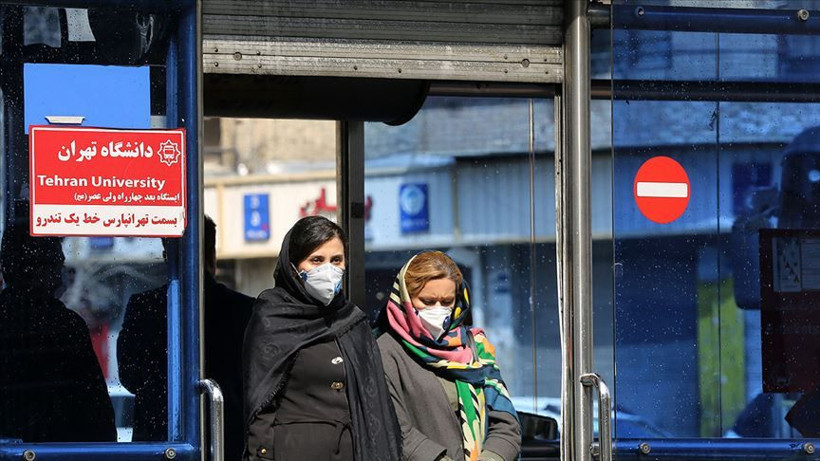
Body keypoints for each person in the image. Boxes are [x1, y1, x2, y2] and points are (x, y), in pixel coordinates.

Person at [243, 215, 401, 461]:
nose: (328, 269)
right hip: (292, 452)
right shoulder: (272, 319)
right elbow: (260, 406)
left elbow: (375, 404)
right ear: (293, 266)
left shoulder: (351, 321)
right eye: (316, 260)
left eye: (336, 260)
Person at [118, 215, 254, 459]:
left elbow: (129, 377)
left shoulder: (143, 307)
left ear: (165, 254)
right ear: (212, 254)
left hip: (159, 442)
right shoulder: (245, 310)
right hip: (228, 443)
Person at [376, 251, 521, 461]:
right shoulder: (386, 352)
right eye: (427, 301)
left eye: (447, 302)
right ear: (405, 300)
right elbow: (396, 430)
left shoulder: (475, 347)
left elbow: (506, 423)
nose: (438, 310)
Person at [0, 224, 116, 442]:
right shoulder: (65, 326)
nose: (62, 261)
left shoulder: (64, 324)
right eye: (55, 255)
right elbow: (97, 417)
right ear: (39, 267)